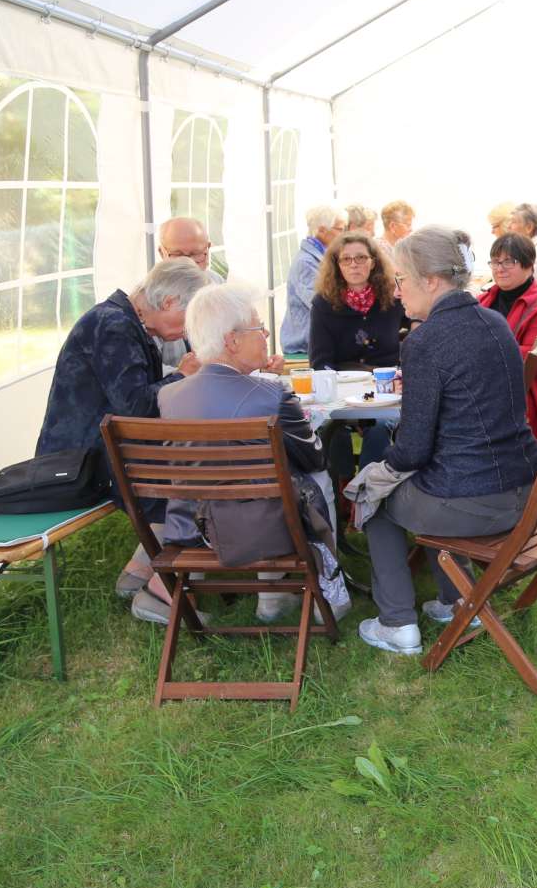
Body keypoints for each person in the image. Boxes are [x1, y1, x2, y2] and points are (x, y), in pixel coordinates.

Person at [355, 226, 537, 655]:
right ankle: (457, 599)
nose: (397, 292)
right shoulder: (495, 321)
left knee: (373, 495)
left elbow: (415, 450)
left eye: (401, 279)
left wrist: (380, 468)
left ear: (432, 281)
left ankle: (397, 624)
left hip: (476, 503)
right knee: (431, 482)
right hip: (524, 493)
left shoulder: (424, 341)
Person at [156, 282, 352, 623]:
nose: (265, 334)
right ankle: (323, 595)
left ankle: (274, 598)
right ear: (232, 341)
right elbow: (314, 457)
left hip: (192, 527)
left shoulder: (169, 396)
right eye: (258, 328)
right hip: (262, 528)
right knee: (314, 475)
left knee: (263, 479)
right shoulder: (271, 394)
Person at [34, 257, 211, 621]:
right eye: (187, 318)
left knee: (190, 464)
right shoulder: (113, 326)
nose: (186, 330)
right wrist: (182, 376)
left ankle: (137, 576)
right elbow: (136, 407)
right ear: (168, 303)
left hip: (98, 452)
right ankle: (160, 593)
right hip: (79, 464)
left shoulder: (125, 321)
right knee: (192, 478)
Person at [479, 232, 537, 448]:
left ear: (529, 265)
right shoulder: (483, 302)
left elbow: (535, 359)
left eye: (509, 261)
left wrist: (480, 352)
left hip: (522, 402)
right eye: (495, 261)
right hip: (484, 393)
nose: (500, 268)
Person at [309, 233, 404, 371]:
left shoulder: (393, 295)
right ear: (337, 265)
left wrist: (415, 325)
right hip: (345, 384)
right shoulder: (323, 303)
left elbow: (419, 317)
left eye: (361, 258)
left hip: (388, 380)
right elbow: (320, 363)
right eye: (346, 259)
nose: (353, 265)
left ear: (373, 263)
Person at [154, 217, 226, 370]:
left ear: (208, 249)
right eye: (178, 255)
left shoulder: (217, 284)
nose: (188, 264)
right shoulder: (150, 297)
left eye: (196, 255)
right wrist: (182, 373)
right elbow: (149, 368)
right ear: (162, 253)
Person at [282, 204, 346, 354]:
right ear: (322, 229)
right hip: (303, 346)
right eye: (340, 229)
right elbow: (319, 303)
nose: (343, 235)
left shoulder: (323, 256)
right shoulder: (306, 263)